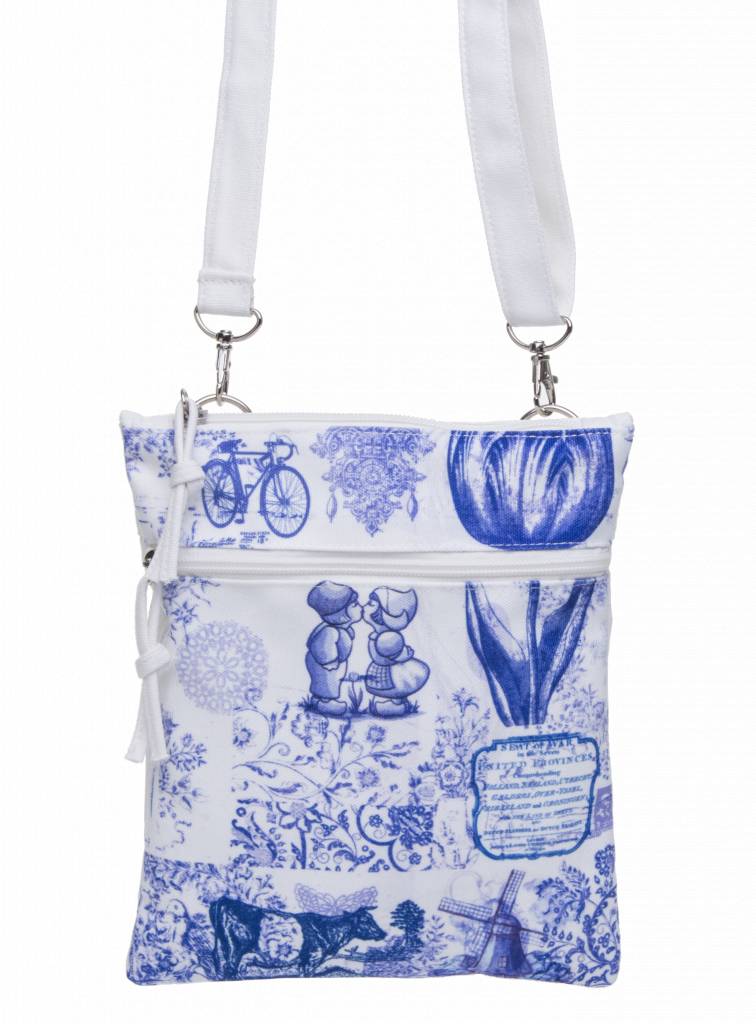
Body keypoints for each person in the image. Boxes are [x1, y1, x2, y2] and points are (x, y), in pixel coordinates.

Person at [305, 581, 362, 716]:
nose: (360, 607)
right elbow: (322, 646)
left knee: (332, 680)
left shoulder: (341, 628)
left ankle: (319, 699)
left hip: (333, 663)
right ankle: (326, 702)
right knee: (327, 682)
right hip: (324, 664)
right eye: (355, 605)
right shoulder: (330, 631)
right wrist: (329, 661)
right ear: (341, 614)